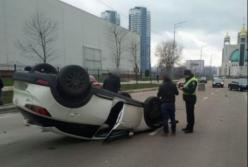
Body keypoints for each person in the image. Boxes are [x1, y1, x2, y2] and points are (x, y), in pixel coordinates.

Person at [178, 69, 198, 133]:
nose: (185, 76)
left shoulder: (193, 80)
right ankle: (188, 126)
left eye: (185, 75)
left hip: (191, 98)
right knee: (188, 113)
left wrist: (182, 88)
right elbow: (186, 86)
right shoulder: (188, 79)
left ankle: (190, 128)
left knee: (190, 114)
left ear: (188, 74)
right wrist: (181, 85)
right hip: (187, 99)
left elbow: (191, 90)